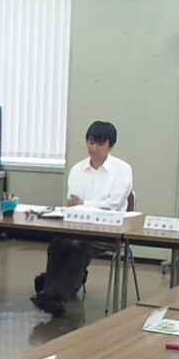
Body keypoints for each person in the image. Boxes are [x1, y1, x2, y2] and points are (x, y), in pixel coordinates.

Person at [32, 121, 133, 316]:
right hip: (78, 226)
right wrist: (90, 204)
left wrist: (84, 203)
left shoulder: (123, 170)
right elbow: (73, 203)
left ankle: (53, 293)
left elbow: (113, 204)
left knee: (82, 246)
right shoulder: (77, 170)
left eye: (99, 144)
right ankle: (53, 293)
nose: (93, 148)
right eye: (90, 142)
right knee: (57, 244)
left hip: (109, 230)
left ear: (111, 145)